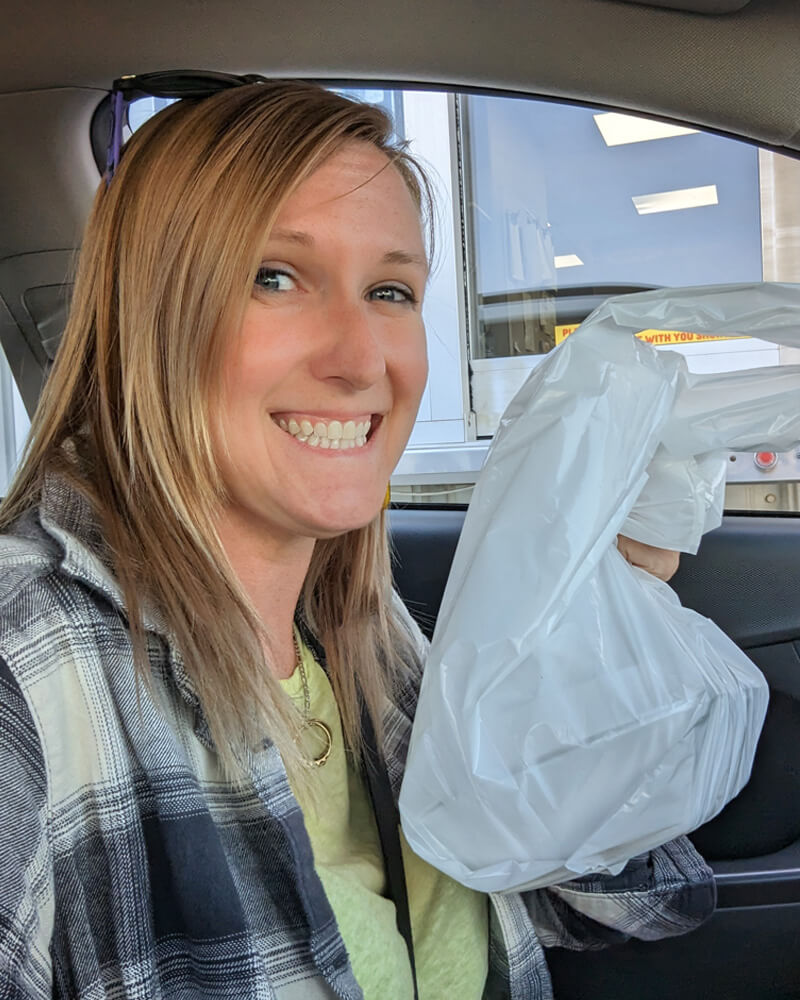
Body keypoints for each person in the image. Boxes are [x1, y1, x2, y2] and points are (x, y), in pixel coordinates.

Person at [0, 77, 714, 999]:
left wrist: (585, 630)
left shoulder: (370, 643)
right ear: (149, 317)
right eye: (275, 277)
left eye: (390, 289)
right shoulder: (27, 669)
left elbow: (629, 902)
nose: (358, 358)